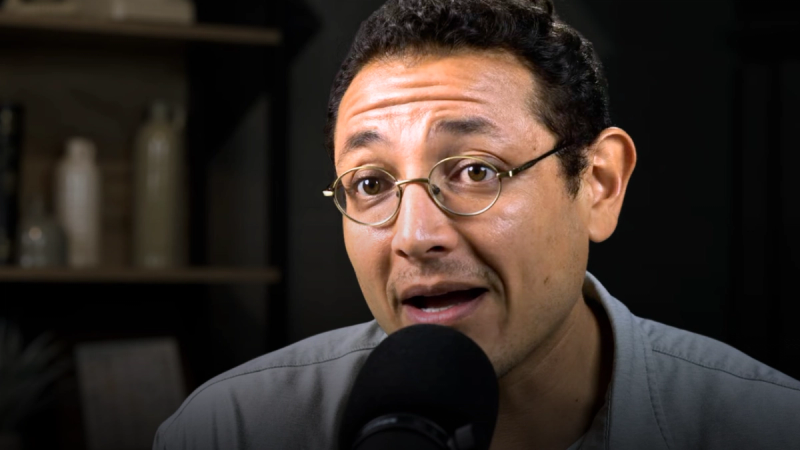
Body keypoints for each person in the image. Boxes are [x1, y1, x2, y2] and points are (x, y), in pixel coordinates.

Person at [154, 1, 800, 449]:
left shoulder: (769, 428)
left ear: (599, 184)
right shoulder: (230, 431)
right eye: (372, 184)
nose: (415, 237)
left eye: (475, 171)